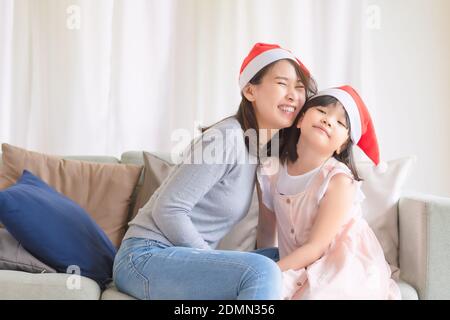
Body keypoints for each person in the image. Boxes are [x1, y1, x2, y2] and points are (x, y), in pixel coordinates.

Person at [113, 43, 317, 299]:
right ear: (250, 90)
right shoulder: (226, 138)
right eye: (282, 83)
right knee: (262, 270)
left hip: (181, 257)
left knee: (290, 259)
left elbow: (269, 235)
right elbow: (169, 209)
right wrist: (214, 262)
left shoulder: (261, 150)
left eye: (299, 87)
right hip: (145, 258)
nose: (293, 95)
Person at [256, 85, 401, 299]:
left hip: (340, 264)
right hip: (297, 260)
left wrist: (271, 271)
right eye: (322, 111)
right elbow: (267, 232)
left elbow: (316, 247)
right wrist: (262, 267)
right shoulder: (272, 171)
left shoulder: (338, 180)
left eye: (340, 122)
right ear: (300, 119)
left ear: (342, 145)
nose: (328, 120)